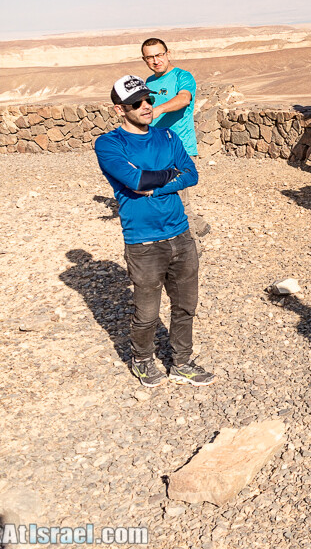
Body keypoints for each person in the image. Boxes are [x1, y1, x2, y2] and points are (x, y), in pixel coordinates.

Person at [94, 75, 213, 388]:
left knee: (186, 306)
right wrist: (164, 177)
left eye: (148, 99)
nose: (146, 107)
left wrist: (155, 185)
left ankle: (182, 362)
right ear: (120, 110)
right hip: (143, 242)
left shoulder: (169, 136)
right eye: (136, 103)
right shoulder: (109, 144)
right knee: (146, 312)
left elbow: (190, 175)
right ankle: (143, 360)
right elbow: (135, 182)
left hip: (181, 235)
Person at [141, 37, 209, 237]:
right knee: (170, 199)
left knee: (178, 201)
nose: (156, 60)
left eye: (159, 55)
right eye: (150, 57)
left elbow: (184, 98)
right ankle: (199, 226)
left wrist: (159, 109)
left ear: (168, 54)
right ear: (144, 60)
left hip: (179, 149)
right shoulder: (149, 82)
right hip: (156, 149)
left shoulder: (183, 76)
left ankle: (191, 248)